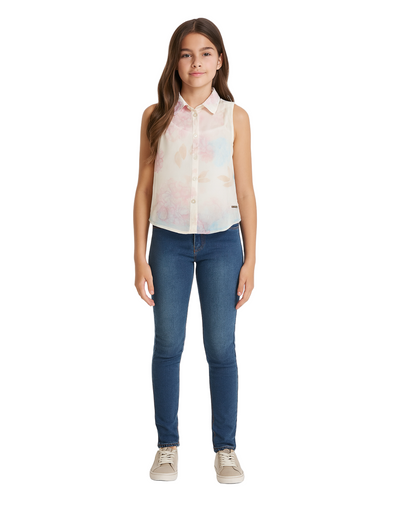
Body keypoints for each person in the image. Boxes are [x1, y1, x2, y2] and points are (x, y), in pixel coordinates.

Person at [133, 18, 257, 484]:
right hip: (168, 243)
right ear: (176, 61)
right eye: (186, 54)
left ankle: (226, 449)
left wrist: (250, 258)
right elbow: (143, 190)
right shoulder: (156, 115)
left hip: (223, 243)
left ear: (219, 60)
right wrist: (139, 255)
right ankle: (167, 446)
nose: (196, 62)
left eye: (206, 53)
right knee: (168, 345)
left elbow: (245, 190)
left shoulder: (235, 117)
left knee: (221, 347)